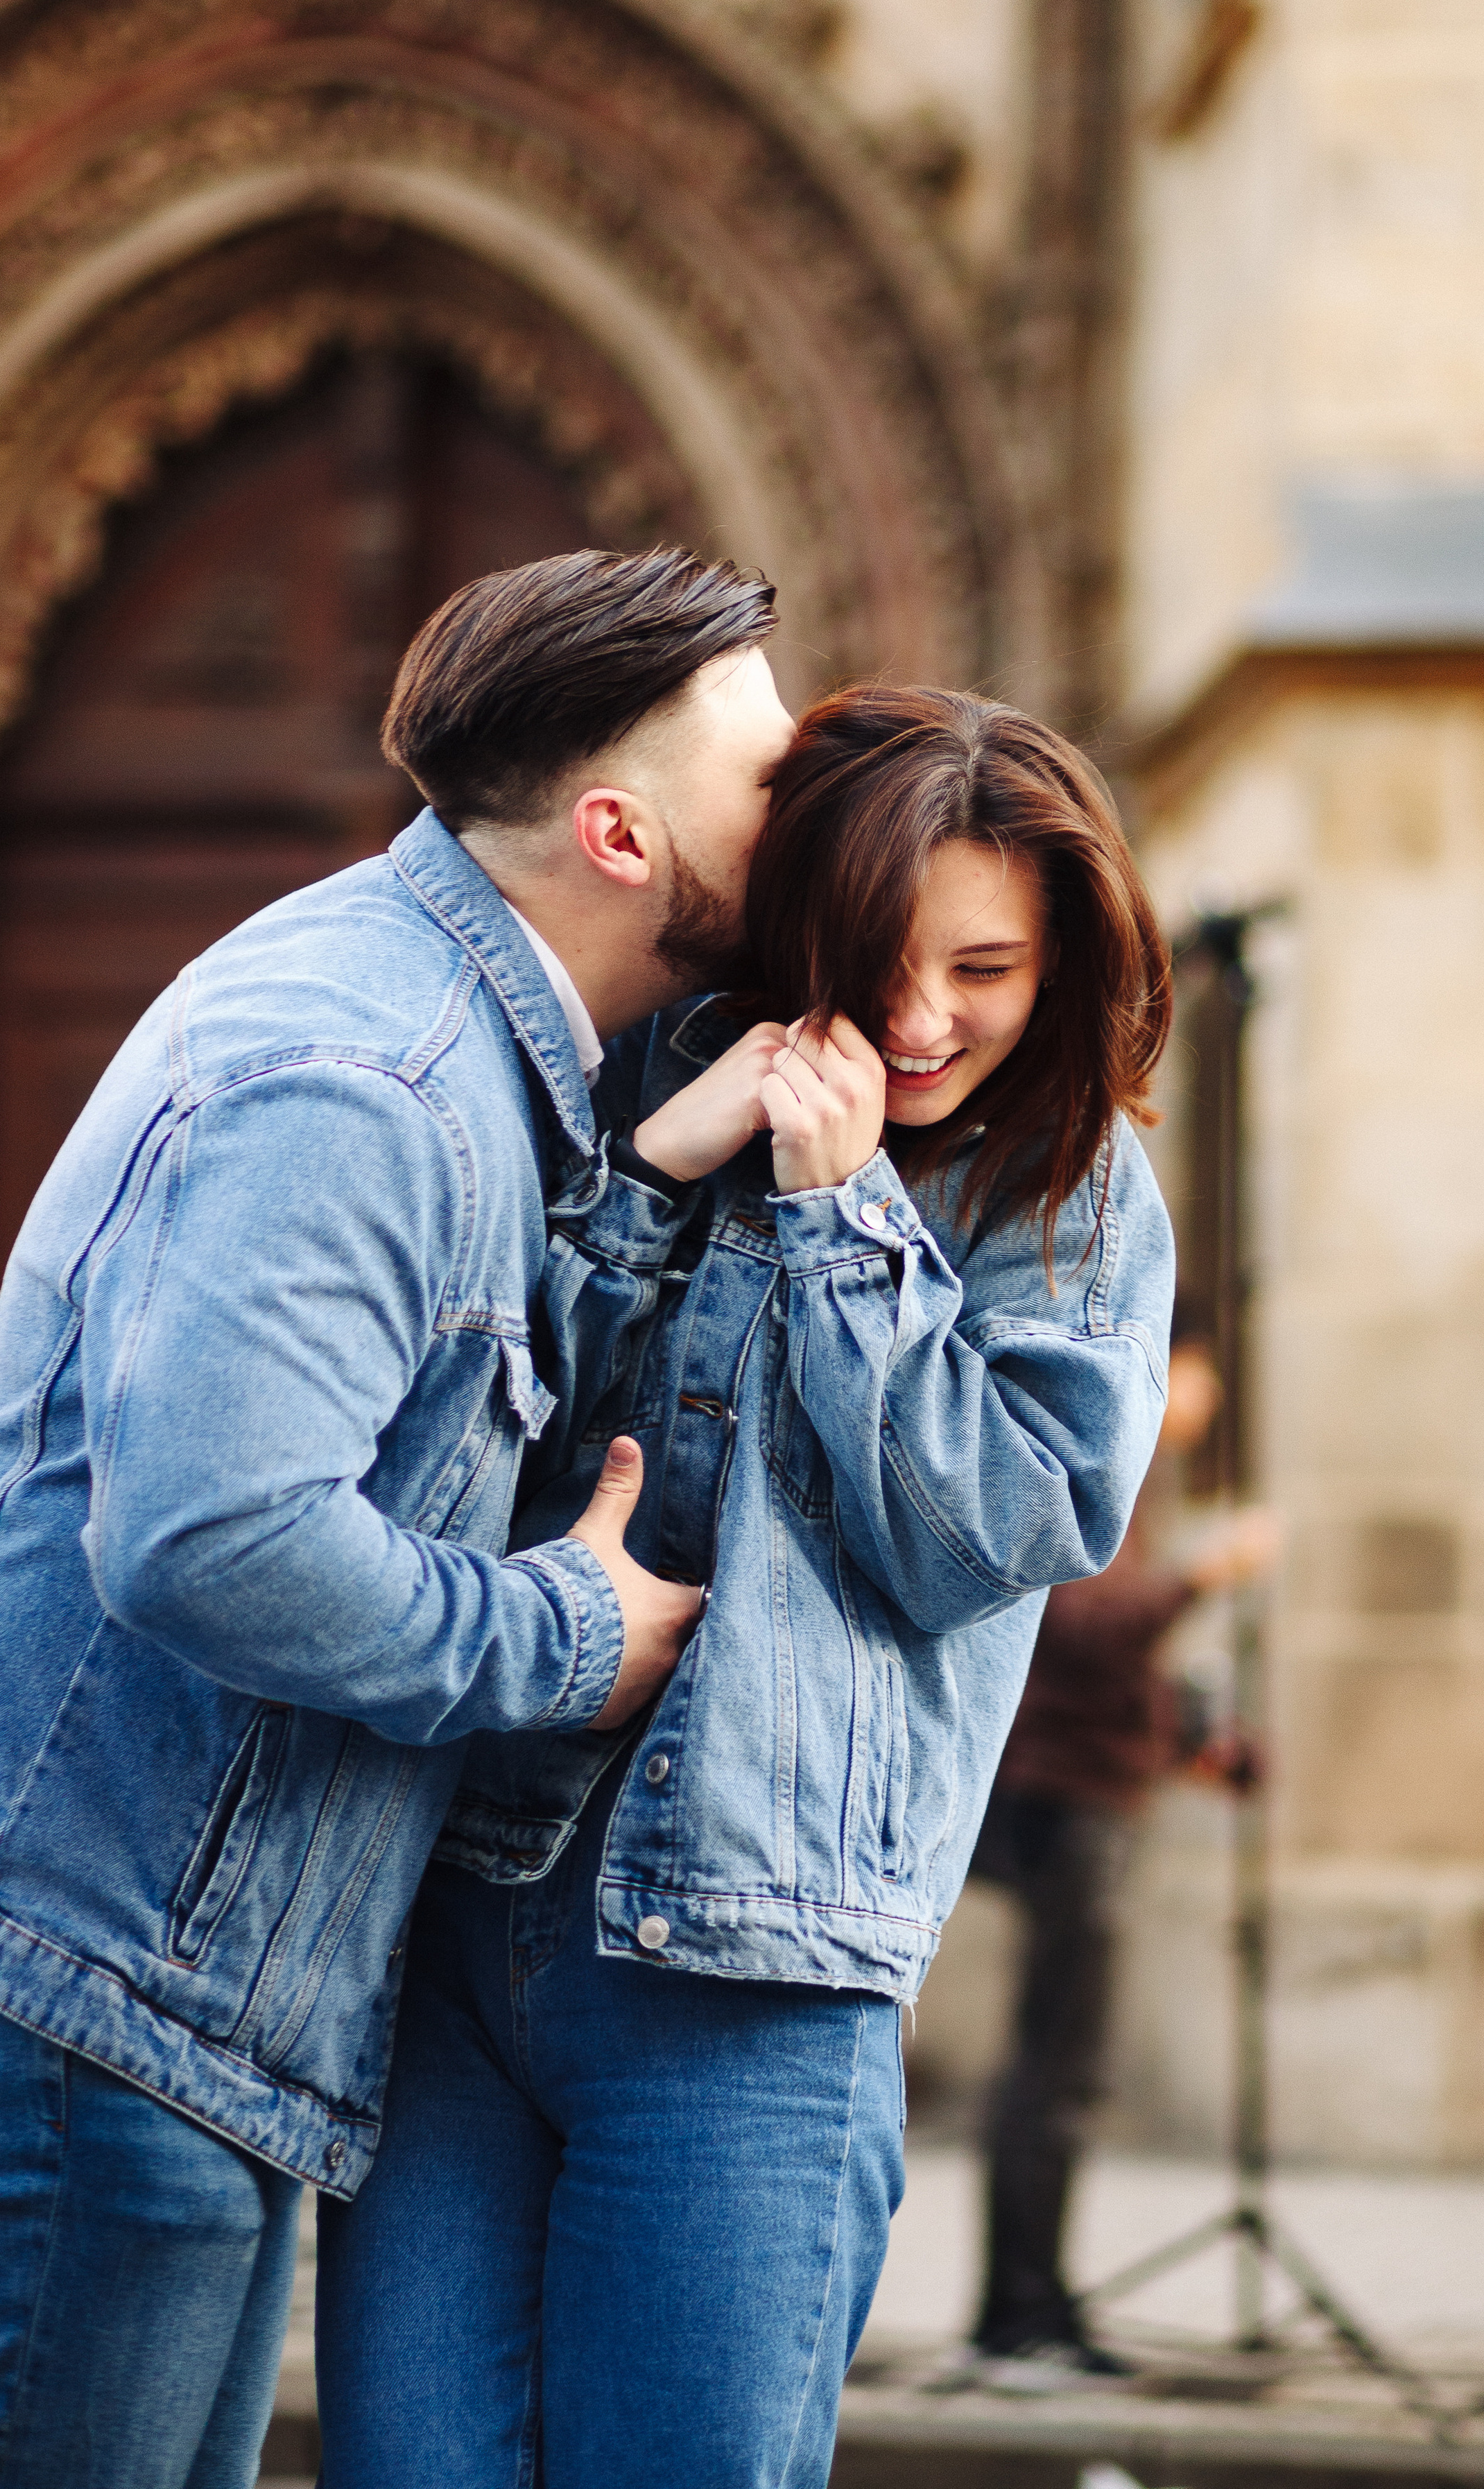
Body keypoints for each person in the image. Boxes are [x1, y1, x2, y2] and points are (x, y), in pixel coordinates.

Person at [0, 546, 797, 2489]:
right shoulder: (368, 1075)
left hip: (144, 1985)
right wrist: (567, 1640)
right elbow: (210, 1537)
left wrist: (633, 1200)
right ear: (619, 831)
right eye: (765, 773)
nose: (810, 801)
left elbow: (409, 1403)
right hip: (77, 1980)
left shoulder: (450, 1036)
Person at [316, 684, 1179, 2489]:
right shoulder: (656, 1066)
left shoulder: (1077, 1197)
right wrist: (654, 1169)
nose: (929, 1021)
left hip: (755, 1990)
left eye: (991, 969)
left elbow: (987, 1528)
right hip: (457, 1924)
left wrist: (843, 1208)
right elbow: (450, 1428)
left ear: (1068, 960)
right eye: (882, 963)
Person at [959, 1314, 1282, 2389]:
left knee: (1065, 2065)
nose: (1204, 1404)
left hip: (1092, 1789)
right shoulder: (1110, 1459)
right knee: (1056, 2066)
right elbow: (1085, 1625)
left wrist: (1195, 1744)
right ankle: (1016, 2317)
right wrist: (1204, 1575)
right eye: (1203, 1379)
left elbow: (1109, 1667)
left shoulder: (1140, 1476)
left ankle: (1036, 2305)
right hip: (1063, 1804)